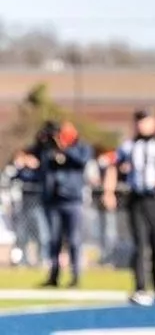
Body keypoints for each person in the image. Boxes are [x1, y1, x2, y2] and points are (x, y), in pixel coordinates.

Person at [103, 108, 155, 305]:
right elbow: (113, 167)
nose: (142, 125)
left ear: (153, 123)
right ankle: (140, 288)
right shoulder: (128, 146)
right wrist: (108, 191)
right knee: (139, 244)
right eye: (139, 122)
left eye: (145, 121)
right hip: (136, 197)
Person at [24, 120, 92, 288]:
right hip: (52, 200)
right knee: (53, 240)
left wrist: (64, 148)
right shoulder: (48, 149)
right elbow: (33, 151)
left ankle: (75, 276)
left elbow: (81, 160)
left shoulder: (80, 148)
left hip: (72, 200)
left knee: (74, 240)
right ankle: (53, 275)